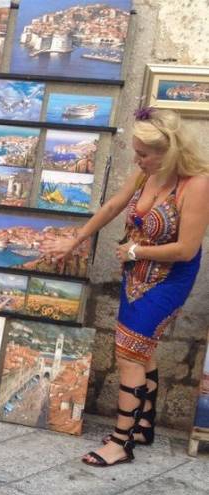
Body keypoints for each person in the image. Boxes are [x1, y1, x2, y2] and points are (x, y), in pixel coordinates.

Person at [43, 107, 209, 467]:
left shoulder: (196, 185)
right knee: (141, 347)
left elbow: (187, 249)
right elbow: (115, 205)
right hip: (135, 273)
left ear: (171, 153)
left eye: (144, 154)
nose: (137, 159)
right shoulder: (147, 172)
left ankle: (121, 441)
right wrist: (76, 240)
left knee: (130, 353)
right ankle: (143, 423)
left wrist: (136, 249)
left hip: (168, 278)